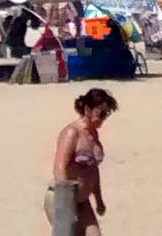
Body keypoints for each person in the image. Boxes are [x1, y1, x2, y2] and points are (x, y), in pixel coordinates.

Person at [52, 88, 117, 233]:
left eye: (106, 114)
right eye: (101, 114)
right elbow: (59, 168)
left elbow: (93, 170)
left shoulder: (93, 133)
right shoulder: (72, 133)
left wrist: (99, 199)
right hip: (64, 200)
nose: (103, 118)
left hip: (83, 201)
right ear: (87, 109)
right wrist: (67, 206)